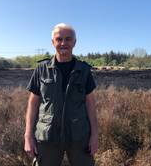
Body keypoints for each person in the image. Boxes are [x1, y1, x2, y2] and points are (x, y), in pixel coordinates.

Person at [24, 23, 98, 166]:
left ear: (74, 42)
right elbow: (33, 104)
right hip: (47, 136)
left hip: (79, 136)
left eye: (68, 39)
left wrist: (94, 135)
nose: (63, 43)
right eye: (59, 39)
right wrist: (28, 135)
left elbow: (90, 104)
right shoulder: (41, 69)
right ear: (53, 42)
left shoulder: (84, 70)